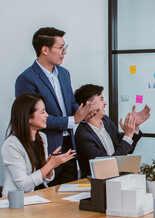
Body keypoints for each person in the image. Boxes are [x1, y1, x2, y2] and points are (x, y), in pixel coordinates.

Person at [15, 27, 96, 186]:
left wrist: (85, 113)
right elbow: (32, 117)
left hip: (68, 146)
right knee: (46, 198)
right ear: (45, 49)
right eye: (60, 48)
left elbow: (70, 103)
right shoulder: (26, 78)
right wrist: (73, 120)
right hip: (44, 147)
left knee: (70, 195)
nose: (64, 52)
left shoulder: (64, 73)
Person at [1, 93, 75, 197]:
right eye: (42, 112)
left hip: (38, 197)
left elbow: (45, 179)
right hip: (17, 202)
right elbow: (23, 185)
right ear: (28, 118)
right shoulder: (11, 145)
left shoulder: (42, 137)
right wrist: (50, 165)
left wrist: (50, 166)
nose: (47, 115)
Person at [74, 84, 150, 178]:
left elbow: (125, 149)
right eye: (101, 99)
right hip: (96, 184)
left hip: (117, 178)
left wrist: (134, 128)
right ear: (89, 104)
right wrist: (128, 135)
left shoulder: (106, 121)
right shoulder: (83, 135)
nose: (105, 103)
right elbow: (107, 164)